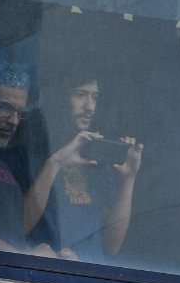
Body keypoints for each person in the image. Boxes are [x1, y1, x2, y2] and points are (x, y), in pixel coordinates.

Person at [22, 71, 143, 261]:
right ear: (59, 97)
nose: (90, 107)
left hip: (90, 275)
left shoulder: (95, 157)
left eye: (95, 97)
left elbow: (111, 246)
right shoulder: (32, 153)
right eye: (80, 95)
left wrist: (128, 179)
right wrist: (55, 164)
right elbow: (19, 227)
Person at [0, 63, 72, 259]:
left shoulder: (3, 163)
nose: (13, 120)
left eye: (19, 112)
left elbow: (18, 227)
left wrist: (55, 163)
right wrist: (24, 258)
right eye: (5, 108)